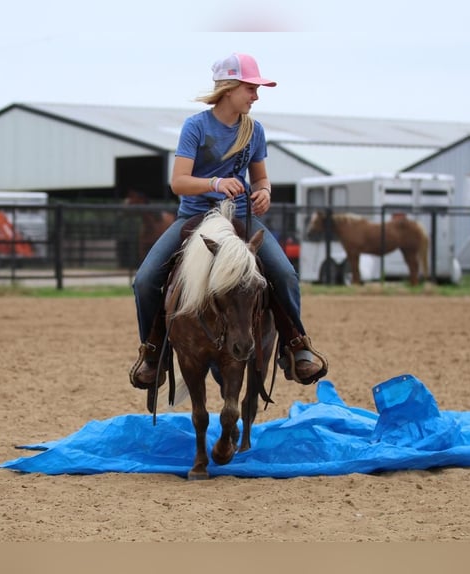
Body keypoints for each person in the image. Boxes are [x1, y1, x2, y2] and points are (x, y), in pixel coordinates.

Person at [129, 52, 328, 402]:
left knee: (283, 274)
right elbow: (178, 182)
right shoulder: (197, 126)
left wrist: (264, 192)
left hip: (238, 218)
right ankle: (152, 352)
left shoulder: (254, 130)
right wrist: (217, 184)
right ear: (229, 88)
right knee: (145, 280)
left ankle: (296, 346)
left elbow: (261, 178)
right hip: (194, 218)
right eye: (251, 88)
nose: (256, 96)